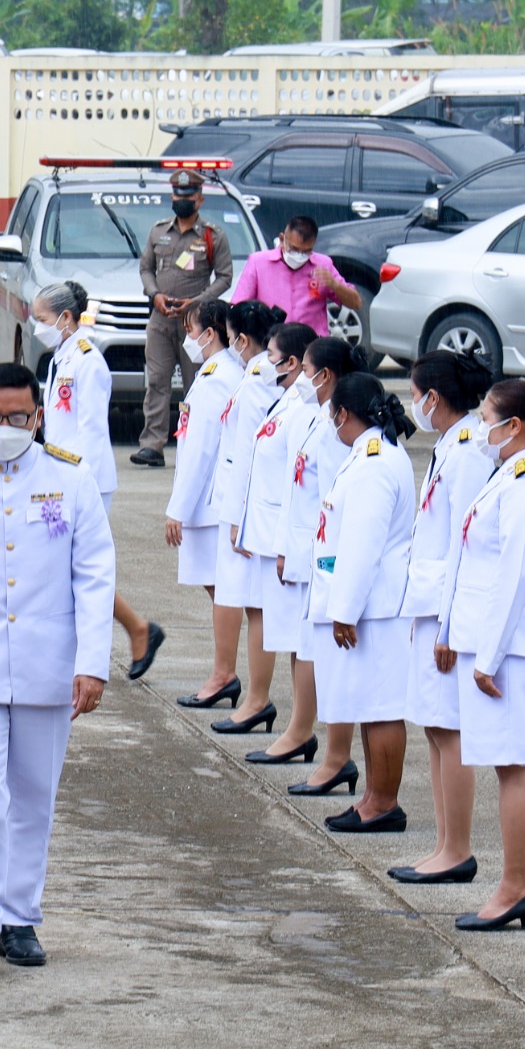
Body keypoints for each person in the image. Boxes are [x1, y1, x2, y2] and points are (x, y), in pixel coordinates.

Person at [0, 363, 112, 973]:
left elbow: (94, 576)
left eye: (18, 417)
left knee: (33, 795)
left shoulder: (69, 478)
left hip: (48, 664)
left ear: (37, 417)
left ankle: (20, 918)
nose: (6, 427)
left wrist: (92, 665)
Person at [432, 378, 525, 931]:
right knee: (506, 762)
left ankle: (515, 887)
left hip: (509, 646)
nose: (479, 426)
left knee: (515, 763)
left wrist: (488, 656)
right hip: (489, 641)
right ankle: (511, 885)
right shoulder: (507, 473)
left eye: (487, 417)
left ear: (515, 427)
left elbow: (512, 578)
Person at [391, 351, 498, 884]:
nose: (414, 403)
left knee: (449, 728)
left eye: (417, 393)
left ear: (434, 397)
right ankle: (443, 844)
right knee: (435, 727)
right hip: (431, 604)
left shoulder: (472, 452)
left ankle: (457, 849)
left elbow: (466, 542)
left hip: (448, 612)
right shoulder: (450, 445)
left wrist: (452, 626)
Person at [33, 281, 165, 679]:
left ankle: (135, 630)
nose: (38, 326)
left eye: (42, 319)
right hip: (60, 473)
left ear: (66, 318)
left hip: (83, 479)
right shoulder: (63, 355)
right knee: (69, 565)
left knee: (80, 566)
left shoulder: (88, 360)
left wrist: (78, 484)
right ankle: (138, 629)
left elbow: (90, 430)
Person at [313, 372, 420, 835]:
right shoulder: (369, 453)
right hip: (369, 603)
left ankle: (384, 802)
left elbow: (362, 543)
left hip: (375, 604)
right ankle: (372, 797)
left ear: (345, 413)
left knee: (381, 706)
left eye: (333, 413)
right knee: (367, 703)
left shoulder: (375, 462)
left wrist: (345, 609)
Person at [277, 337, 362, 797]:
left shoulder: (340, 428)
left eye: (306, 369)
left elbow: (334, 499)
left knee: (330, 663)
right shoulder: (322, 417)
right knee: (310, 654)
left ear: (325, 375)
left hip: (326, 558)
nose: (300, 378)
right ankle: (321, 748)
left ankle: (337, 756)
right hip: (310, 553)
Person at [240, 323, 324, 768]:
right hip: (277, 537)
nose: (266, 365)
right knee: (292, 639)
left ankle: (301, 729)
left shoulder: (308, 410)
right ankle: (297, 727)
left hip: (292, 542)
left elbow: (305, 486)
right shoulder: (290, 400)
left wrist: (288, 547)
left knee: (300, 641)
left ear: (294, 363)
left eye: (272, 357)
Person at [208, 301, 289, 734]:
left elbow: (248, 452)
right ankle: (255, 698)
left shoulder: (258, 377)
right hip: (251, 505)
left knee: (257, 606)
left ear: (241, 339)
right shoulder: (258, 373)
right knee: (255, 604)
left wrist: (237, 517)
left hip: (251, 508)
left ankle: (257, 699)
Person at [162, 299, 243, 706]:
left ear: (210, 334)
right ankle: (223, 670)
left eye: (192, 330)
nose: (187, 338)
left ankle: (224, 673)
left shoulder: (214, 378)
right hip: (214, 500)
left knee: (225, 590)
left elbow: (199, 450)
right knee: (221, 590)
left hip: (210, 503)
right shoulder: (223, 372)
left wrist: (178, 507)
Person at [133, 168, 235, 468]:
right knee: (157, 382)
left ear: (199, 199)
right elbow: (145, 269)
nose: (182, 199)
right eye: (177, 195)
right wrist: (155, 295)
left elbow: (225, 277)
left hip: (197, 326)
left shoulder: (212, 235)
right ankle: (152, 445)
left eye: (188, 196)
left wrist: (197, 302)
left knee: (197, 385)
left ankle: (194, 443)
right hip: (161, 319)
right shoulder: (158, 231)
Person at [231, 215, 362, 338]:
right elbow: (238, 306)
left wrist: (335, 285)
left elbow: (355, 302)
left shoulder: (323, 265)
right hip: (270, 344)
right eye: (294, 249)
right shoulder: (258, 262)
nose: (299, 256)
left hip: (310, 348)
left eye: (306, 251)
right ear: (282, 239)